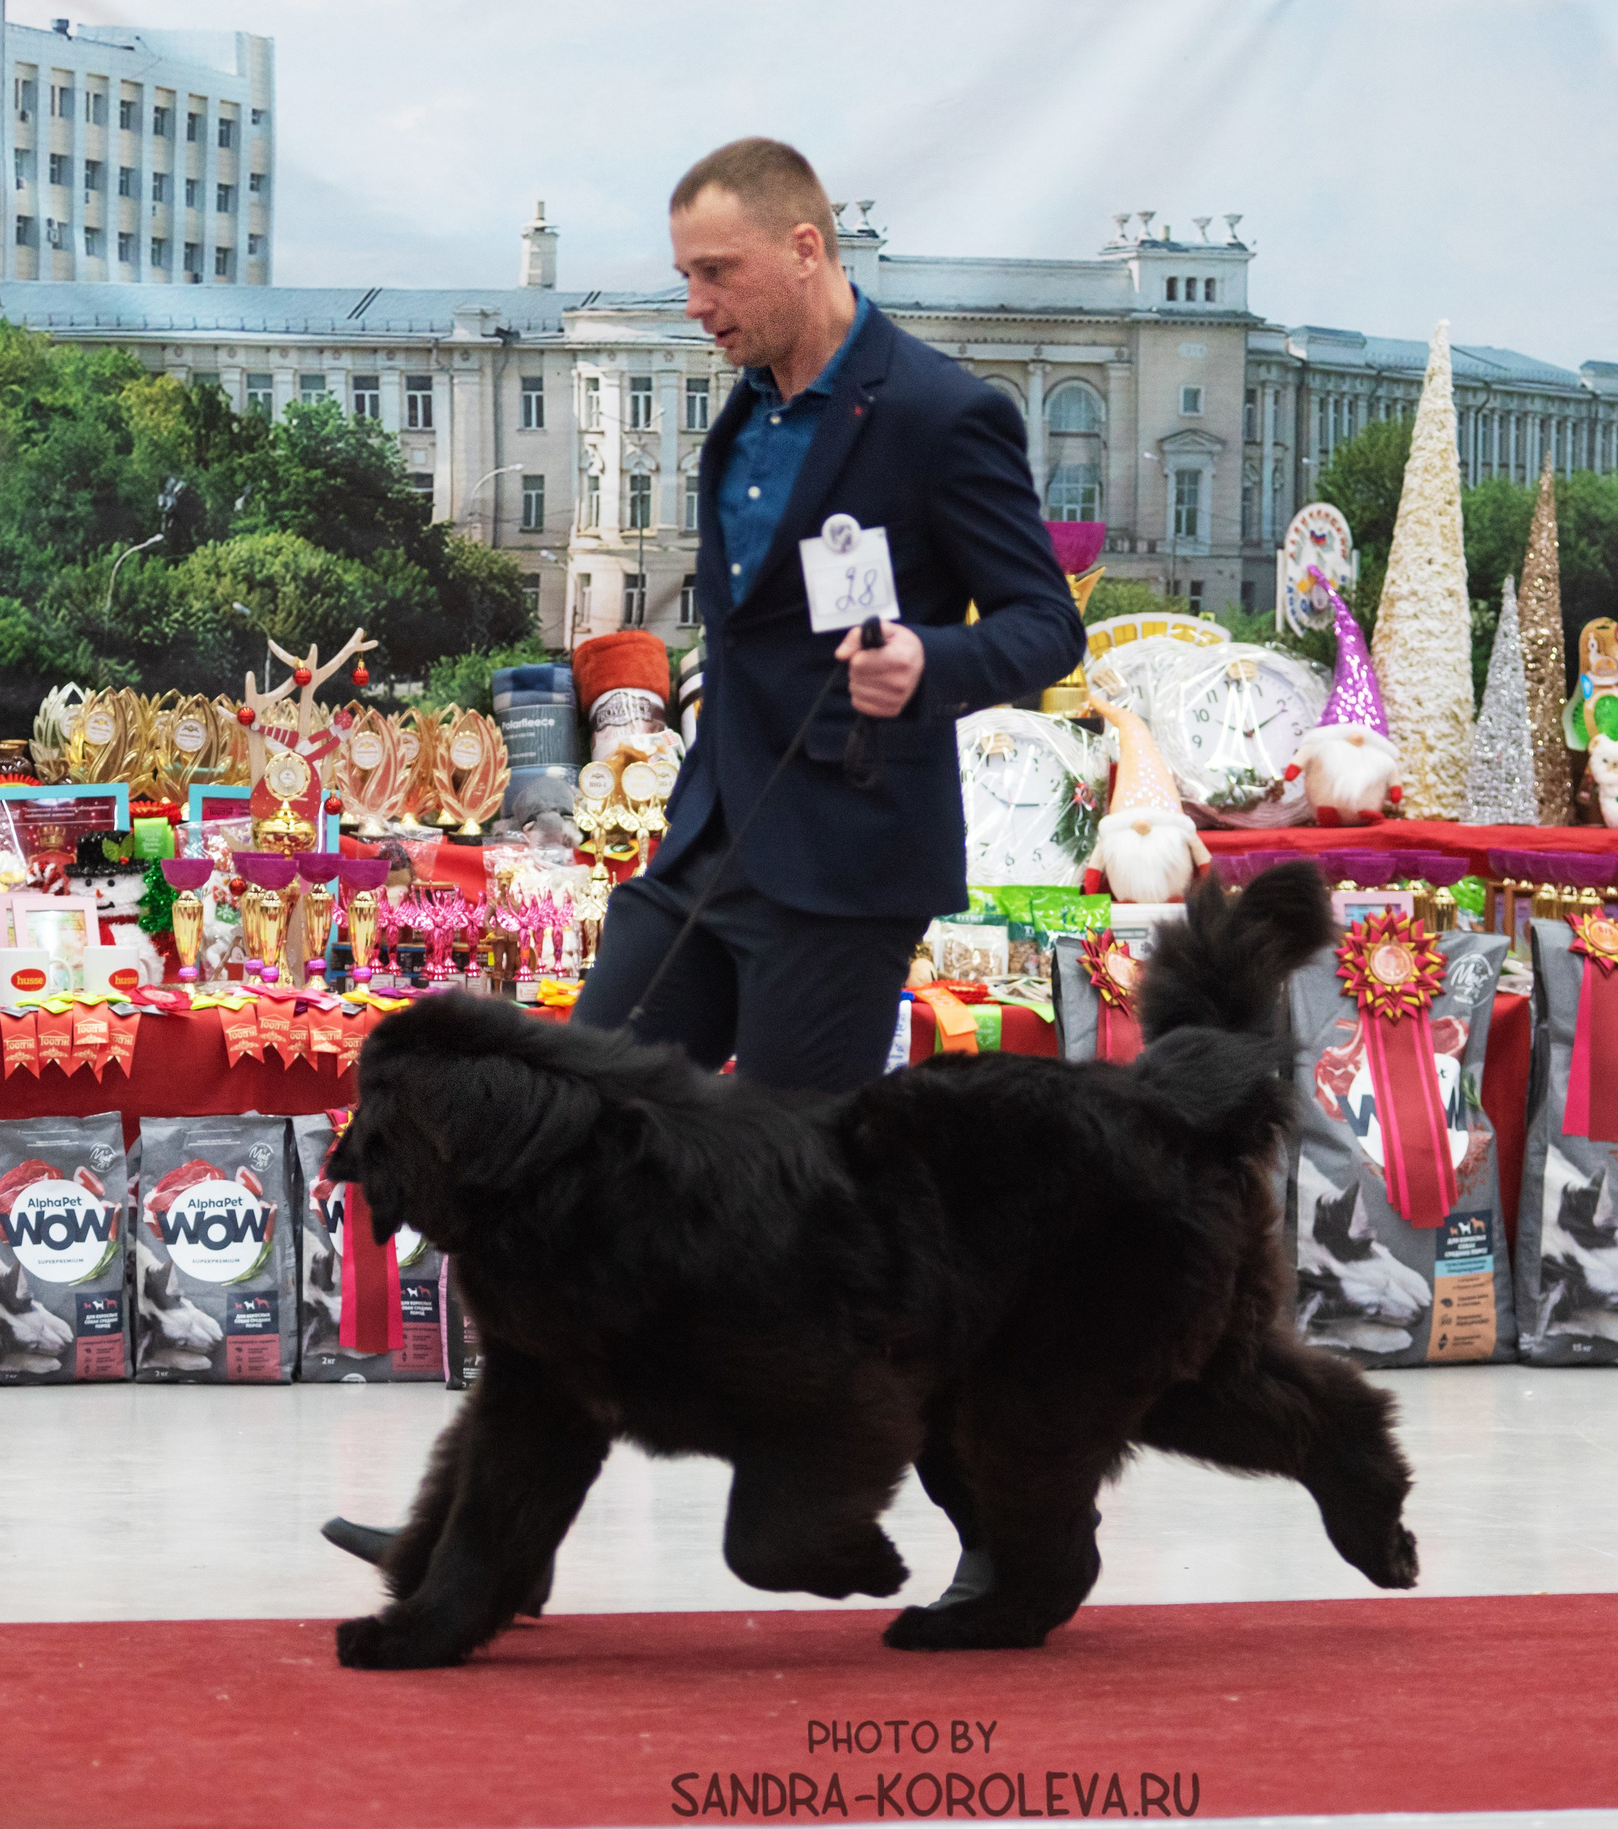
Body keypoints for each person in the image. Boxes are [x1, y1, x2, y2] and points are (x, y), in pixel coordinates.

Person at [325, 136, 1087, 1602]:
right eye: (684, 277)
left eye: (718, 273)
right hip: (701, 851)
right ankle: (473, 1559)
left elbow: (1042, 626)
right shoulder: (739, 417)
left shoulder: (943, 413)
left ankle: (1005, 1538)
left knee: (806, 1228)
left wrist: (934, 661)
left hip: (844, 873)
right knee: (564, 1177)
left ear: (807, 249)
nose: (699, 304)